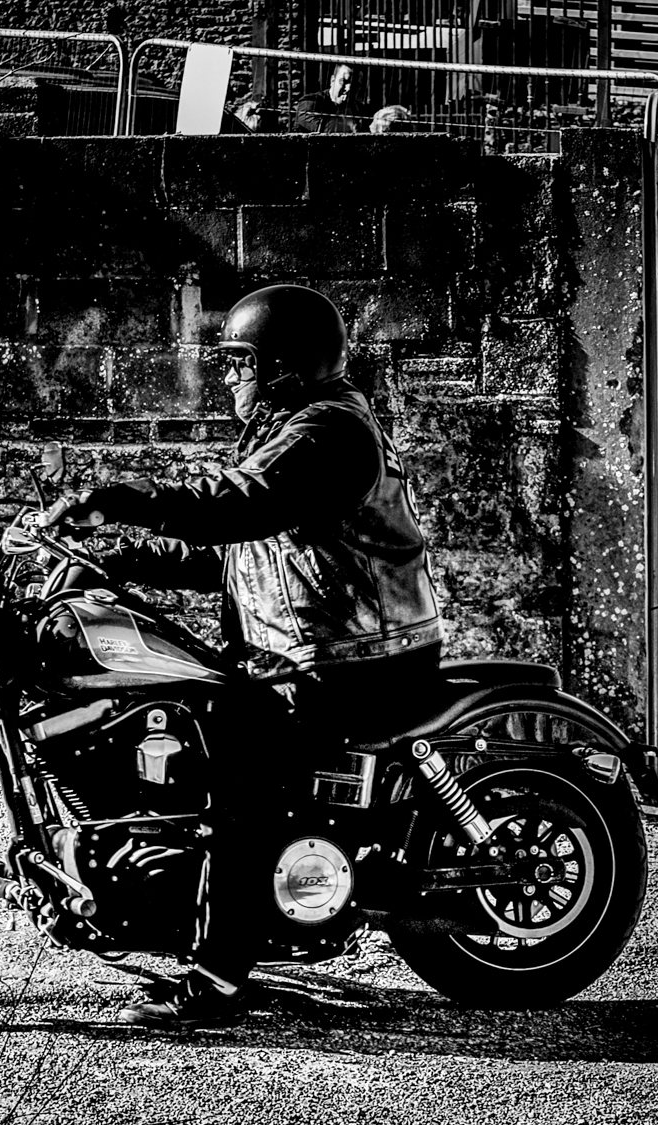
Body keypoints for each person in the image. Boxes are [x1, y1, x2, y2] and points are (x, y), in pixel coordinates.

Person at [54, 284, 444, 1026]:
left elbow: (235, 504)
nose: (230, 376)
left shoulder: (327, 433)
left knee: (232, 765)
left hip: (356, 659)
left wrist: (117, 497)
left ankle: (220, 977)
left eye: (242, 362)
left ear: (285, 367)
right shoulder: (296, 429)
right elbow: (242, 552)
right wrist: (118, 561)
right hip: (319, 652)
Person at [291, 63, 365, 134]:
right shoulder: (310, 102)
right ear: (332, 80)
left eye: (355, 84)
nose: (349, 88)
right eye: (343, 81)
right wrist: (348, 124)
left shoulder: (358, 109)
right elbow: (324, 129)